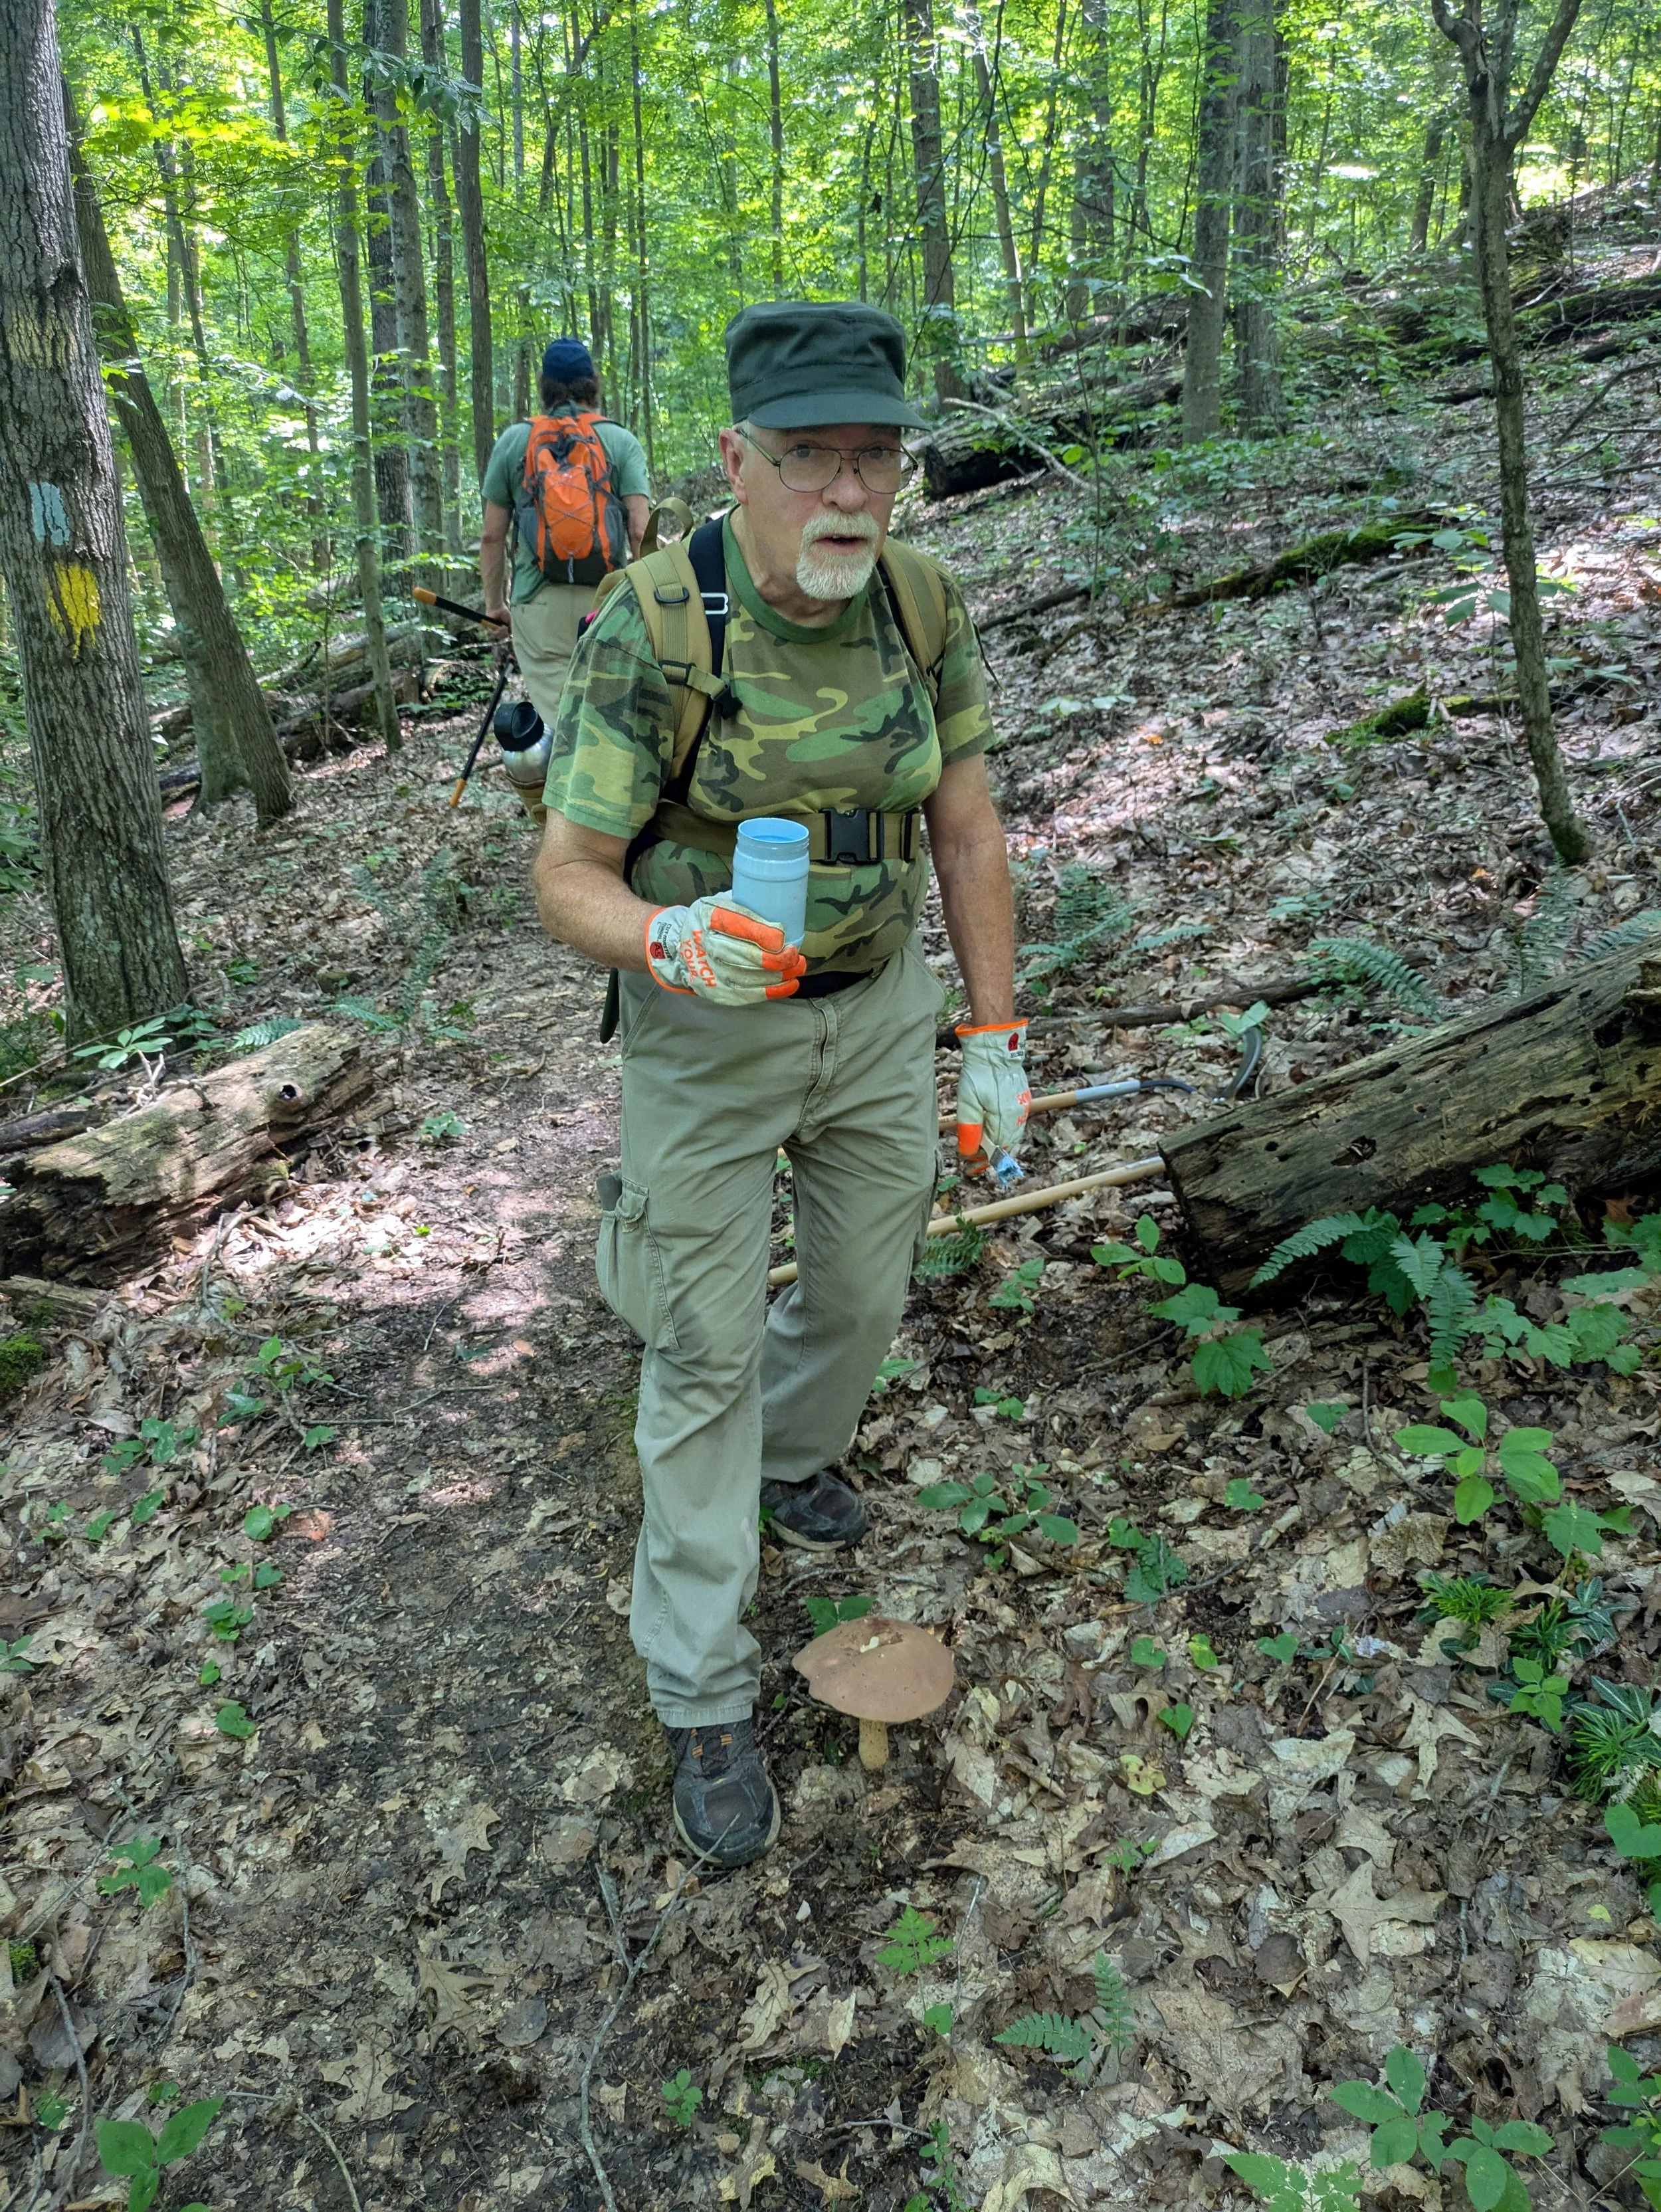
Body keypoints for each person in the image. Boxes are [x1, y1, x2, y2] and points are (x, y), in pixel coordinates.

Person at [530, 302, 1028, 1866]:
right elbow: (565, 877)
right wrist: (667, 936)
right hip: (709, 1028)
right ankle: (700, 1680)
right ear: (736, 460)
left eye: (875, 454)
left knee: (869, 1288)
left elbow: (967, 832)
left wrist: (995, 1033)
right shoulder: (658, 623)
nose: (847, 489)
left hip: (878, 1009)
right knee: (699, 1342)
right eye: (810, 455)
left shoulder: (924, 602)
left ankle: (799, 1454)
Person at [478, 338, 651, 737]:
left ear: (544, 385)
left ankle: (566, 794)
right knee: (615, 724)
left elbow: (491, 537)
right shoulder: (620, 441)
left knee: (564, 732)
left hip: (538, 609)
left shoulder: (513, 442)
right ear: (594, 383)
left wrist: (494, 605)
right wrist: (649, 602)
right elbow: (641, 530)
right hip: (609, 603)